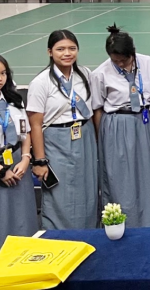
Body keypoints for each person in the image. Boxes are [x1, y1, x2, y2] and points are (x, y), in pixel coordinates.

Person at [27, 29, 99, 230]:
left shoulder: (84, 74)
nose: (67, 53)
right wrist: (40, 161)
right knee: (61, 193)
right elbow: (35, 125)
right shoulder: (41, 83)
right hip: (56, 142)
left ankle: (89, 234)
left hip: (84, 137)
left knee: (87, 189)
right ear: (50, 52)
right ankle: (60, 238)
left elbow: (92, 110)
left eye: (72, 48)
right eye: (60, 49)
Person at [90, 25, 150, 228]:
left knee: (147, 174)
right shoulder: (100, 74)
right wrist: (100, 138)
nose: (120, 64)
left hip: (145, 123)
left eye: (124, 60)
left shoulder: (148, 63)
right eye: (115, 60)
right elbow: (98, 108)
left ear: (133, 53)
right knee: (120, 178)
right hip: (117, 125)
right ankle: (120, 222)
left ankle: (149, 222)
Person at [0, 53, 38, 270]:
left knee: (22, 221)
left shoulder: (14, 101)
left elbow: (26, 133)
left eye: (2, 73)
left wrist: (26, 158)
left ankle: (26, 269)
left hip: (17, 168)